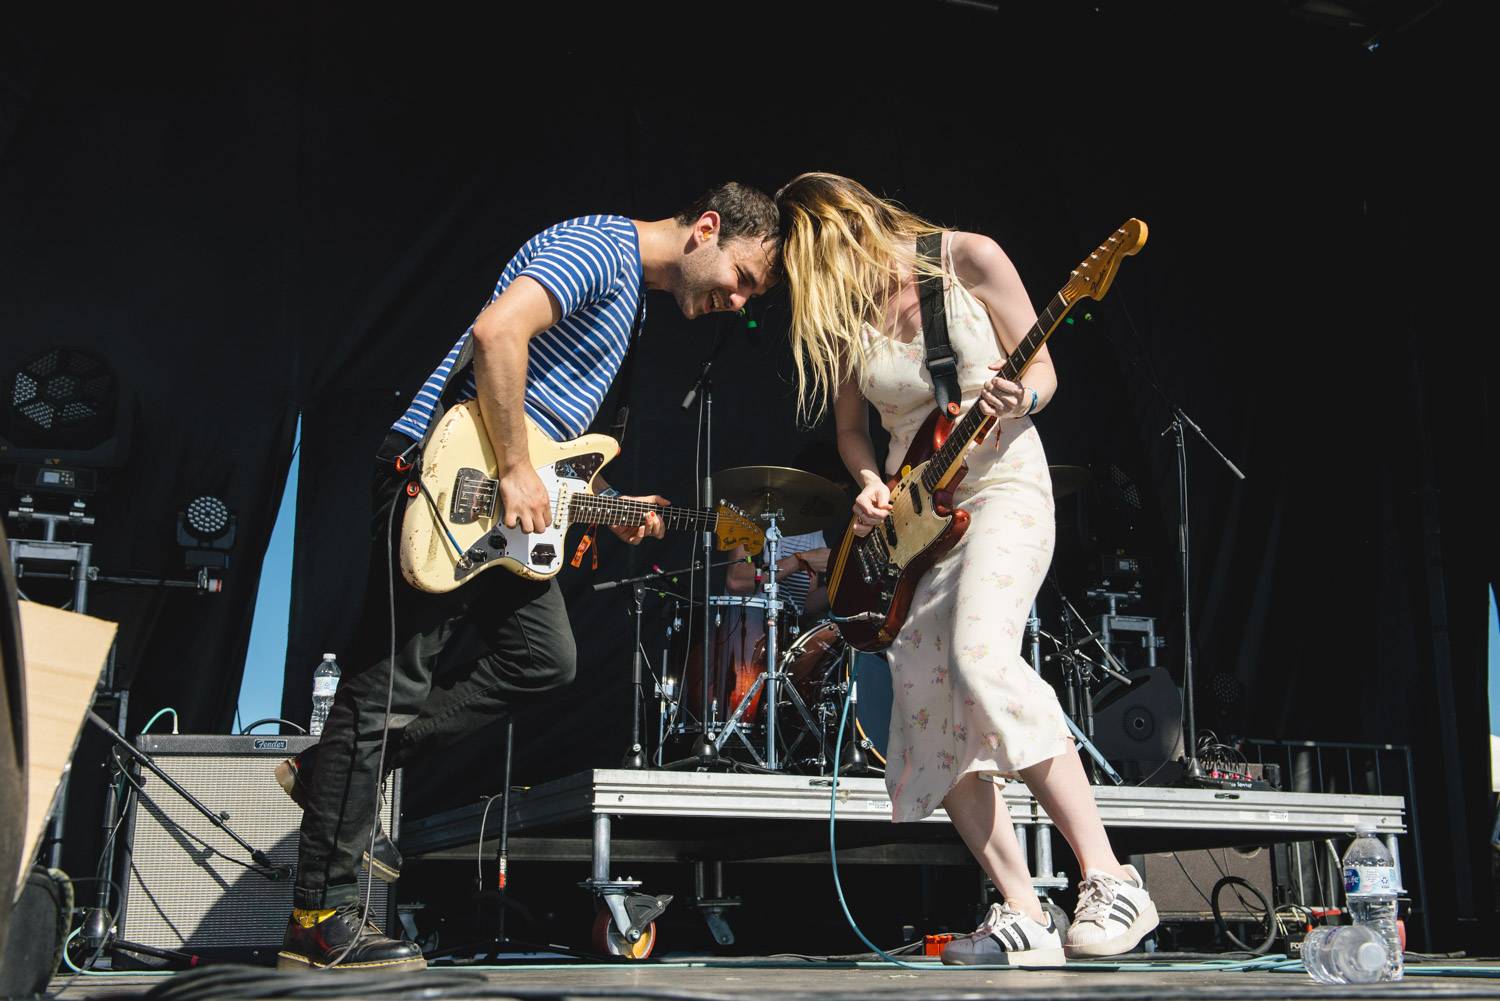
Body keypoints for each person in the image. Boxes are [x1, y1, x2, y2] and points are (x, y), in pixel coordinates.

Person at [276, 184, 779, 971]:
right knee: (387, 687)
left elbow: (551, 438)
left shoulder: (631, 303)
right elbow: (497, 332)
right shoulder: (600, 252)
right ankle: (317, 918)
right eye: (743, 275)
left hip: (498, 509)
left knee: (546, 657)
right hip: (445, 484)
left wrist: (610, 504)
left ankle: (330, 770)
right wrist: (513, 467)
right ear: (706, 229)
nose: (738, 299)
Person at [774, 172, 1157, 966]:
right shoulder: (850, 320)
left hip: (1004, 484)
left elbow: (1045, 370)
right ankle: (1022, 911)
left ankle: (1110, 877)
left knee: (981, 658)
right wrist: (871, 484)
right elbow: (853, 430)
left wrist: (1022, 398)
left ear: (842, 231)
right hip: (919, 523)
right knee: (921, 702)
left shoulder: (966, 258)